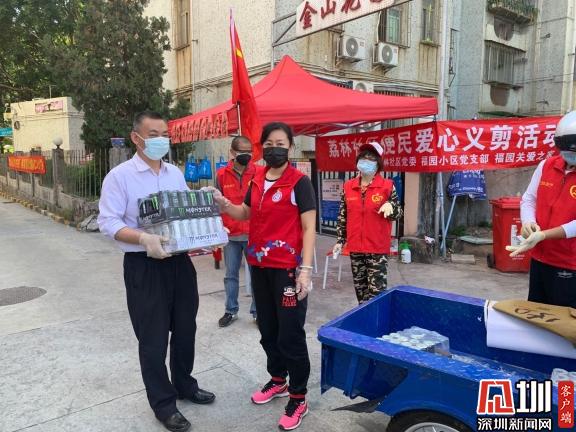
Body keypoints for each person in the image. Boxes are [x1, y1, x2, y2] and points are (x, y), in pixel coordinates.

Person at [97, 111, 214, 432]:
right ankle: (163, 404)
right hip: (144, 266)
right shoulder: (120, 177)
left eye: (165, 134)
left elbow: (183, 210)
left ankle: (185, 384)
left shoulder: (174, 173)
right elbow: (107, 222)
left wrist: (205, 214)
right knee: (153, 338)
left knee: (186, 328)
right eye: (154, 134)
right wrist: (142, 238)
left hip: (179, 262)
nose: (162, 139)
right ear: (136, 138)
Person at [207, 122, 316, 431]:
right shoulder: (257, 179)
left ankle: (299, 397)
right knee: (268, 329)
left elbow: (309, 227)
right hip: (260, 265)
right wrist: (224, 203)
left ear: (290, 147)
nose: (274, 149)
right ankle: (278, 380)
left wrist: (306, 270)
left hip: (288, 270)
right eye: (268, 144)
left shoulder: (299, 183)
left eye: (280, 143)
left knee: (290, 334)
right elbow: (245, 213)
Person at [507, 111, 576, 307]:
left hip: (570, 263)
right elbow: (529, 199)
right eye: (567, 150)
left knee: (564, 320)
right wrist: (528, 223)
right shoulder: (547, 165)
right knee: (537, 313)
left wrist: (544, 235)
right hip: (540, 258)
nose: (570, 155)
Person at [332, 141, 403, 304]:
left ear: (378, 163)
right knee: (361, 293)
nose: (366, 161)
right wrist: (340, 240)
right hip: (356, 248)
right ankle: (364, 317)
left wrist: (391, 206)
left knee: (376, 295)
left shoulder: (387, 186)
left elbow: (399, 212)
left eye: (371, 158)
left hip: (377, 249)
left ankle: (377, 320)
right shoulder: (348, 187)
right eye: (363, 157)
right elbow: (343, 215)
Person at [216, 136, 257, 327]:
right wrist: (218, 228)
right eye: (242, 152)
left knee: (257, 275)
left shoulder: (258, 172)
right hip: (231, 234)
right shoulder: (221, 175)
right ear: (232, 152)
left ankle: (258, 312)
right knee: (231, 275)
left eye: (249, 152)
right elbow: (216, 204)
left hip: (254, 234)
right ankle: (230, 311)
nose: (246, 155)